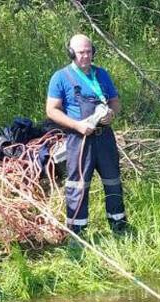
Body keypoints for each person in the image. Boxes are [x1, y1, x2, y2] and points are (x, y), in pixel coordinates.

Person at [46, 34, 128, 236]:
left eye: (89, 52)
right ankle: (77, 233)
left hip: (105, 137)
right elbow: (51, 110)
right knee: (78, 186)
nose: (86, 56)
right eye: (81, 52)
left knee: (113, 181)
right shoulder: (61, 77)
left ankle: (119, 228)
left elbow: (115, 101)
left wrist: (111, 113)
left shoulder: (101, 74)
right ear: (72, 53)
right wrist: (77, 125)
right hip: (79, 139)